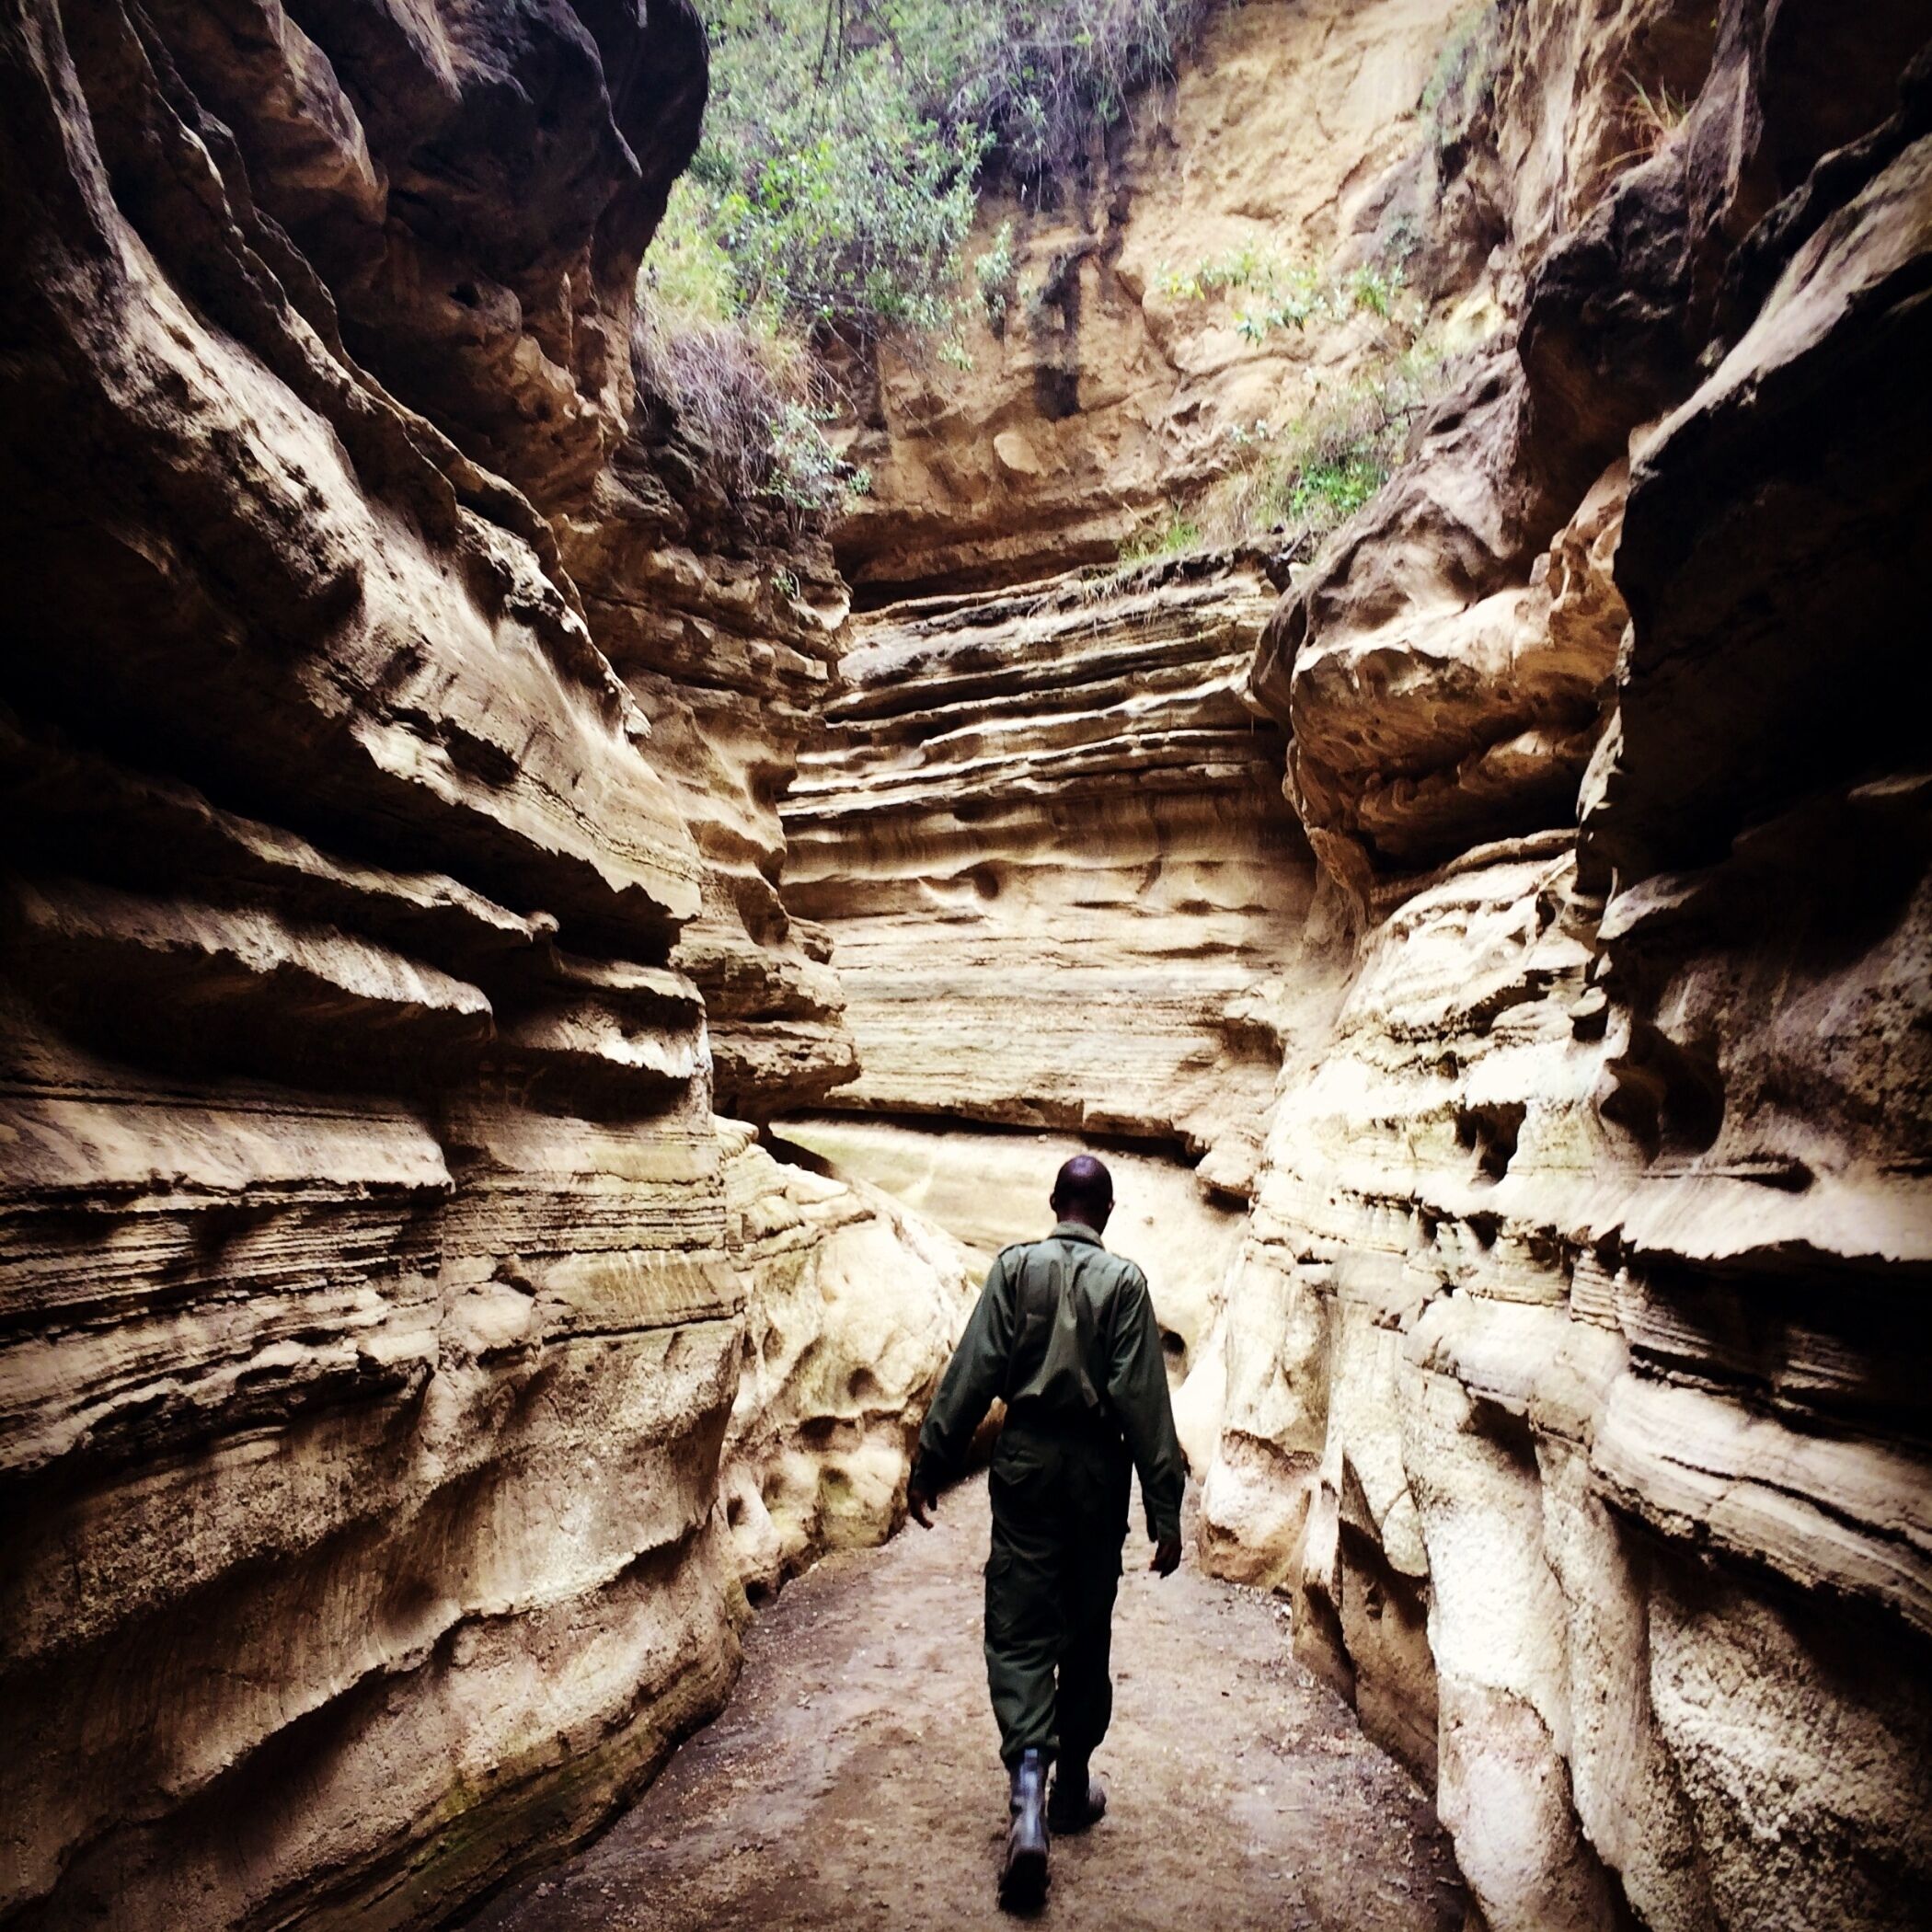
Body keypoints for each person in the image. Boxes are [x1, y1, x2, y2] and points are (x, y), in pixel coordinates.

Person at [905, 1153, 1187, 1910]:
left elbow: (972, 1372)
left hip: (1026, 1467)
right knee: (1086, 1629)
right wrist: (1166, 1508)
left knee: (1021, 1628)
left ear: (1055, 1202)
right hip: (1099, 1476)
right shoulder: (1125, 1284)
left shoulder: (1015, 1270)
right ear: (1107, 1213)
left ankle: (1028, 1798)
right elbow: (1144, 1404)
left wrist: (930, 1460)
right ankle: (1070, 1792)